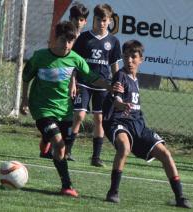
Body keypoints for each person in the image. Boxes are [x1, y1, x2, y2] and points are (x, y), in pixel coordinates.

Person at [20, 21, 118, 197]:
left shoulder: (75, 59)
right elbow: (26, 76)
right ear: (55, 38)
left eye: (71, 41)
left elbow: (92, 77)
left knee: (61, 147)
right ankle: (67, 185)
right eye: (63, 40)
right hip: (42, 108)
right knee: (58, 143)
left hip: (65, 110)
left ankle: (45, 140)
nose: (67, 45)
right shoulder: (40, 57)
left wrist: (110, 87)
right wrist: (24, 100)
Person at [102, 40, 192, 208]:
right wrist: (121, 104)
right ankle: (113, 192)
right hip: (118, 121)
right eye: (126, 56)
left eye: (133, 57)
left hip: (138, 125)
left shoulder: (135, 79)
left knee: (165, 154)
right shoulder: (120, 75)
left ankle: (180, 197)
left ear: (141, 59)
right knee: (124, 147)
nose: (129, 60)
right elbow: (116, 97)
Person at [71, 3, 122, 167]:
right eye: (98, 19)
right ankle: (68, 150)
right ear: (94, 19)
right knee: (79, 115)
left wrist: (116, 85)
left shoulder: (113, 41)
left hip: (103, 85)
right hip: (84, 82)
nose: (101, 23)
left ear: (109, 21)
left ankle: (96, 157)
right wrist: (73, 82)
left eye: (104, 20)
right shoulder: (84, 38)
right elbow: (74, 63)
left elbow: (114, 66)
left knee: (99, 119)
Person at [39, 3, 90, 160]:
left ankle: (66, 149)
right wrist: (72, 82)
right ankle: (49, 147)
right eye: (76, 19)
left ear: (85, 21)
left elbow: (78, 63)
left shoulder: (85, 38)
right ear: (71, 19)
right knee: (58, 116)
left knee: (75, 116)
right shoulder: (66, 35)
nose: (78, 22)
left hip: (79, 82)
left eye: (82, 19)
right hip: (65, 82)